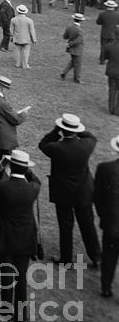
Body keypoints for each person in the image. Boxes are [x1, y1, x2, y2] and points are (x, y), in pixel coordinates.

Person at [0, 149, 41, 322]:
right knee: (21, 276)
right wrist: (24, 169)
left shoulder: (3, 186)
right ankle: (21, 313)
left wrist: (2, 171)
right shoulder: (33, 188)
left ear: (10, 166)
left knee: (7, 273)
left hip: (6, 237)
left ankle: (6, 308)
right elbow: (35, 179)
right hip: (25, 237)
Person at [39, 114, 101, 268]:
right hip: (83, 191)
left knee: (65, 226)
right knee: (87, 224)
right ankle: (97, 256)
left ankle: (66, 258)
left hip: (63, 192)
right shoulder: (86, 145)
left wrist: (55, 131)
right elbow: (91, 137)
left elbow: (43, 144)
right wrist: (79, 130)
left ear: (62, 129)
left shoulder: (56, 147)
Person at [0, 76, 30, 175]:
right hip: (6, 139)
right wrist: (24, 113)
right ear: (2, 88)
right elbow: (16, 120)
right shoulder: (3, 103)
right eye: (7, 89)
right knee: (12, 162)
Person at [94, 134, 119, 298]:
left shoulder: (105, 169)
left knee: (109, 256)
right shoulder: (105, 168)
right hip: (112, 220)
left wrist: (104, 215)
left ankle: (106, 288)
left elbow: (98, 197)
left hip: (112, 221)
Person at [59, 13, 86, 83]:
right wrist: (71, 44)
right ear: (81, 21)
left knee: (73, 62)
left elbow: (65, 37)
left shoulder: (69, 28)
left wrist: (70, 42)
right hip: (77, 49)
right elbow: (79, 40)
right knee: (78, 64)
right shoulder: (80, 30)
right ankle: (77, 79)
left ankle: (64, 73)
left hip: (71, 49)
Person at [9, 4, 37, 70]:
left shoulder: (13, 19)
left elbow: (11, 29)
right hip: (27, 39)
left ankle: (17, 64)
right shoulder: (29, 20)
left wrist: (12, 36)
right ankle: (25, 65)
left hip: (17, 38)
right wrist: (34, 39)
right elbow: (32, 30)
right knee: (26, 52)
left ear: (18, 11)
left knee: (17, 51)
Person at [96, 0, 119, 64]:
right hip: (113, 33)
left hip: (104, 33)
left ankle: (102, 60)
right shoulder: (117, 15)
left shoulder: (102, 14)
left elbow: (98, 22)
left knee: (103, 46)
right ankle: (110, 58)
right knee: (111, 46)